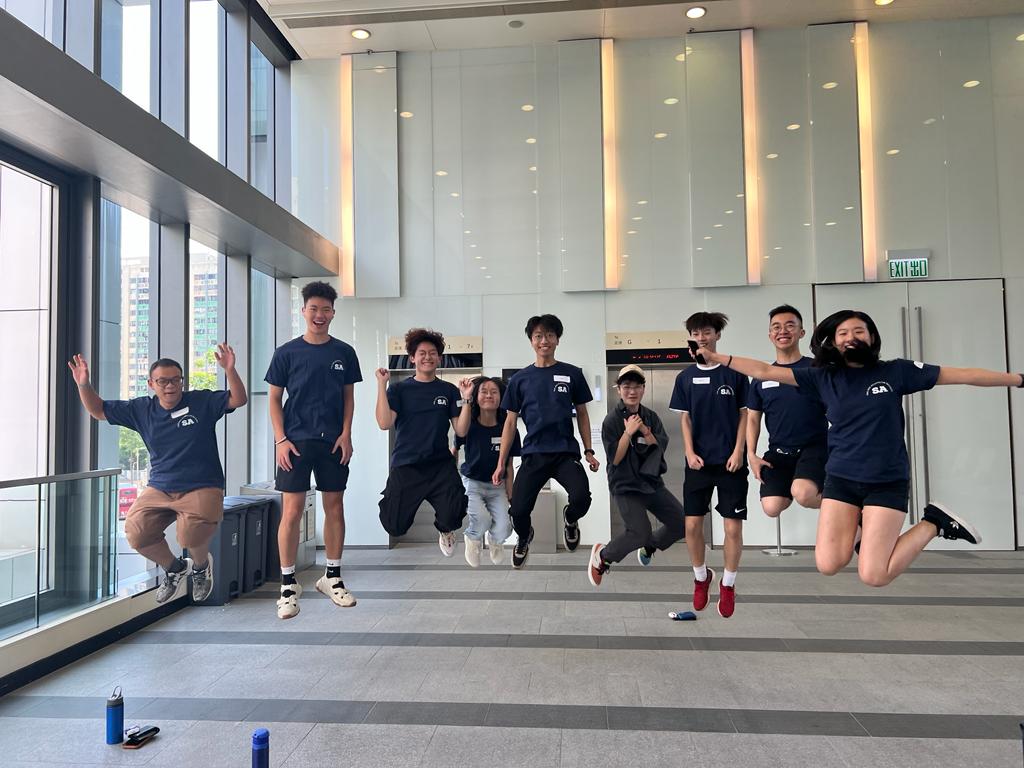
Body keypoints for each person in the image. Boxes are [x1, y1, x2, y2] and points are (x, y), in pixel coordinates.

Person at [696, 308, 1024, 587]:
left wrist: (1018, 379)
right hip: (841, 480)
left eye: (858, 331)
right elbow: (764, 370)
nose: (850, 337)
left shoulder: (895, 372)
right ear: (834, 342)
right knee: (828, 564)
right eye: (843, 333)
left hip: (886, 481)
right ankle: (865, 527)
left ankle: (933, 523)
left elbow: (962, 374)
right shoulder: (823, 377)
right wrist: (716, 357)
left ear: (871, 337)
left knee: (874, 575)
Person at [68, 347, 247, 603]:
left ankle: (200, 567)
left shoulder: (201, 402)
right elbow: (98, 411)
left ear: (182, 382)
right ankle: (175, 568)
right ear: (151, 384)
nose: (170, 386)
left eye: (175, 380)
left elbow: (238, 399)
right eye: (163, 381)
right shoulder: (141, 409)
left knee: (189, 534)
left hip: (202, 484)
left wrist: (230, 370)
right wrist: (84, 384)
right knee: (136, 532)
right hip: (161, 486)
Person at [266, 280, 363, 620]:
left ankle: (332, 578)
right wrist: (281, 440)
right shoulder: (286, 352)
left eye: (325, 309)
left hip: (333, 441)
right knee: (292, 511)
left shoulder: (344, 352)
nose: (319, 315)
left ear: (333, 313)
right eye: (313, 309)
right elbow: (274, 399)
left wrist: (347, 434)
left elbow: (349, 398)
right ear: (303, 311)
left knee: (334, 506)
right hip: (294, 442)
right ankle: (288, 586)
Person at [494, 314, 600, 569]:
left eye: (550, 335)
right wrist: (500, 463)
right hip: (534, 454)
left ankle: (570, 519)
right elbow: (510, 423)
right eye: (539, 336)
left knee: (581, 498)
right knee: (518, 510)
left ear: (557, 340)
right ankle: (524, 537)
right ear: (531, 340)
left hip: (565, 453)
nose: (545, 341)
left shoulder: (572, 374)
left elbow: (582, 413)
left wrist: (588, 450)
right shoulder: (519, 379)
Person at [669, 311, 749, 618]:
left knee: (732, 527)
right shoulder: (685, 378)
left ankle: (728, 585)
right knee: (691, 525)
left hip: (731, 463)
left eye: (706, 332)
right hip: (698, 464)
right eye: (696, 333)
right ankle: (701, 577)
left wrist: (739, 451)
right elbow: (685, 419)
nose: (701, 337)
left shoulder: (735, 373)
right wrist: (689, 453)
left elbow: (744, 415)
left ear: (717, 335)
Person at [587, 365, 685, 587]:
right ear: (618, 389)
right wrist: (628, 432)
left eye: (637, 386)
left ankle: (650, 546)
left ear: (643, 389)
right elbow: (615, 458)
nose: (632, 391)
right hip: (625, 486)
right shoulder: (611, 420)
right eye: (627, 386)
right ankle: (603, 556)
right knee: (639, 532)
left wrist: (646, 432)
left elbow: (659, 448)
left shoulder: (651, 417)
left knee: (681, 523)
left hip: (651, 482)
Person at [376, 328, 470, 556]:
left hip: (439, 465)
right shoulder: (399, 389)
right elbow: (384, 423)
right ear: (412, 357)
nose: (428, 357)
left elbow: (461, 429)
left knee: (454, 513)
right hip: (407, 464)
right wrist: (381, 385)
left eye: (433, 353)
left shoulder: (448, 391)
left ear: (439, 358)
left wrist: (466, 399)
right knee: (394, 526)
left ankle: (445, 530)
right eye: (422, 353)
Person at [746, 305, 828, 519]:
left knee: (803, 494)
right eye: (776, 327)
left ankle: (846, 504)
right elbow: (753, 418)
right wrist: (751, 454)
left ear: (802, 332)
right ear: (770, 335)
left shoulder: (817, 370)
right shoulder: (762, 376)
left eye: (790, 326)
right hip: (779, 452)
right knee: (771, 507)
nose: (782, 331)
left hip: (814, 448)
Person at [455, 376, 520, 567]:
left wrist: (511, 495)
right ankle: (472, 538)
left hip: (497, 486)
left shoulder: (508, 427)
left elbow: (509, 464)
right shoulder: (469, 423)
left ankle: (495, 541)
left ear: (502, 397)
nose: (489, 395)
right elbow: (454, 450)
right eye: (484, 391)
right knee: (482, 520)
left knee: (505, 527)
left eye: (494, 392)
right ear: (476, 396)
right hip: (472, 482)